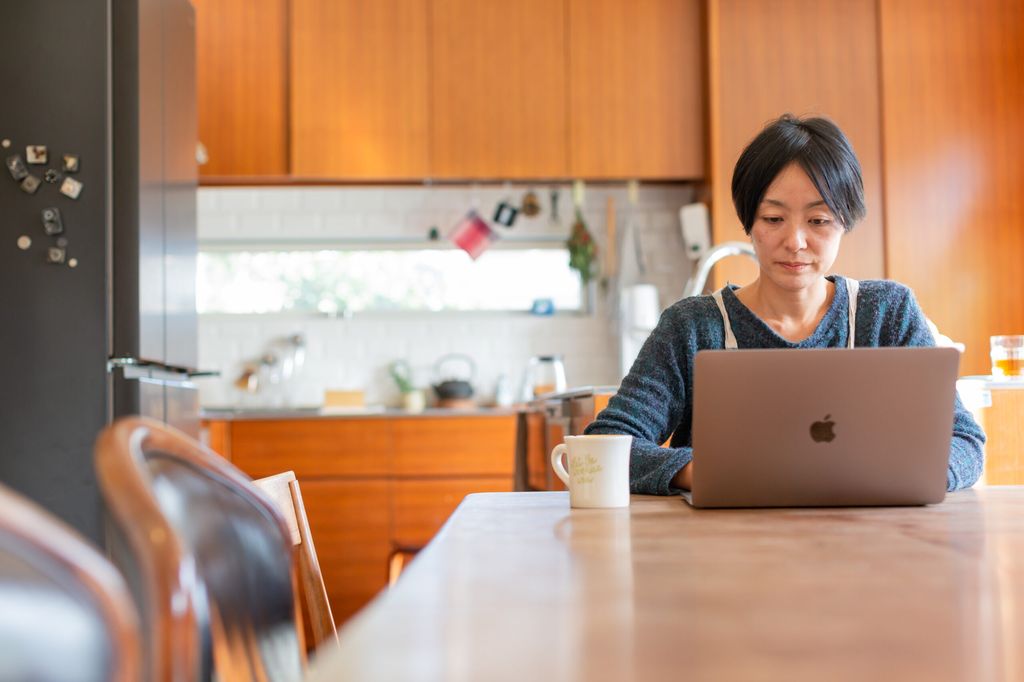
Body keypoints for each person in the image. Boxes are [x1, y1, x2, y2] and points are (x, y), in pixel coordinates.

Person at [585, 114, 985, 495]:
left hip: (868, 548)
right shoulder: (691, 326)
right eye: (774, 219)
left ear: (845, 221)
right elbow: (607, 445)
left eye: (819, 221)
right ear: (749, 221)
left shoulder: (886, 312)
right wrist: (708, 472)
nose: (795, 241)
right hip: (725, 553)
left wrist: (905, 473)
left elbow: (964, 441)